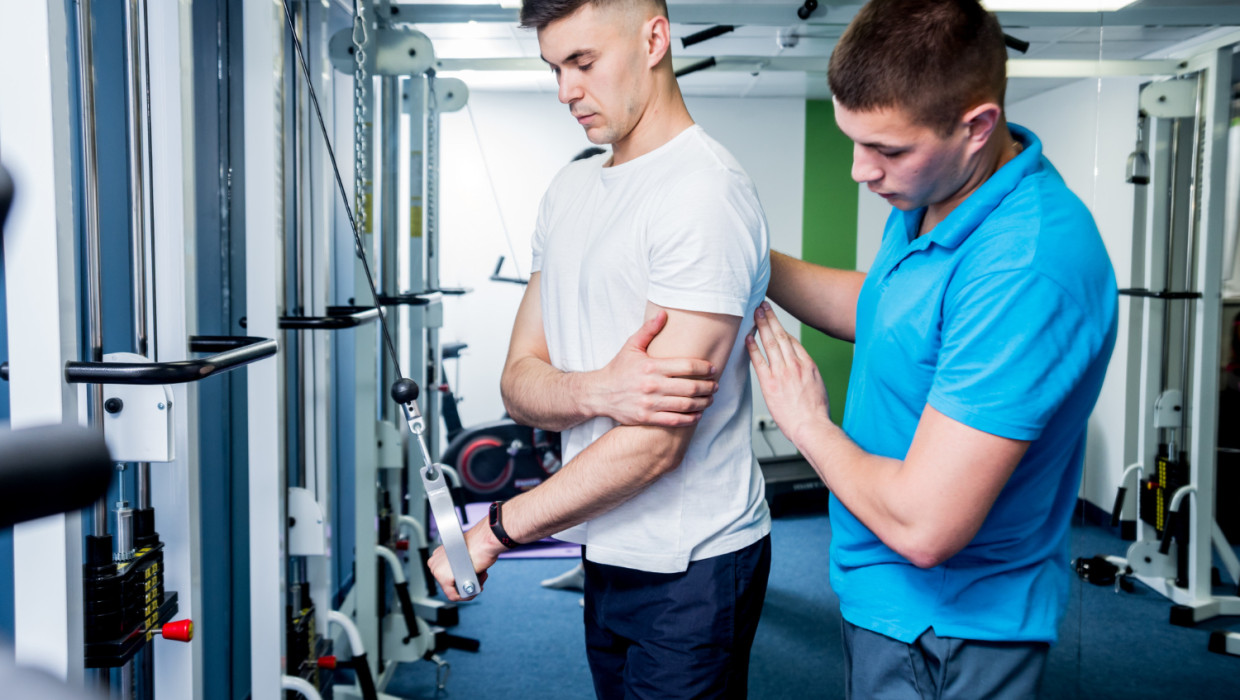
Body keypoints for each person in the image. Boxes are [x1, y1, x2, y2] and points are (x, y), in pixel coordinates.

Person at [744, 0, 1118, 698]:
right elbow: (889, 311)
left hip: (950, 623)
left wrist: (805, 425)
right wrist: (748, 260)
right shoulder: (933, 195)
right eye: (852, 141)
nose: (861, 171)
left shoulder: (1029, 264)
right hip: (888, 598)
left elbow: (925, 526)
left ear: (976, 126)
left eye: (887, 150)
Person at [427, 0, 774, 696]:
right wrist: (595, 390)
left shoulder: (703, 193)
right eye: (555, 68)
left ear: (654, 39)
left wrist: (493, 532)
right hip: (607, 546)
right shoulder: (570, 189)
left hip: (692, 562)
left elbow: (654, 443)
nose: (565, 91)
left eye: (583, 63)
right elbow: (518, 382)